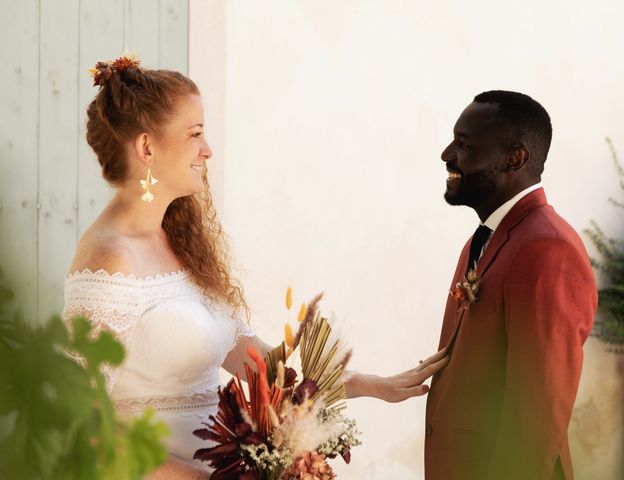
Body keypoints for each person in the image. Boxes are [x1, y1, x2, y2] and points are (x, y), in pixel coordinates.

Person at [62, 53, 448, 479]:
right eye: (195, 134)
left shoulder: (179, 242)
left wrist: (368, 385)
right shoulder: (109, 259)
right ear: (147, 147)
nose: (207, 150)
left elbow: (259, 365)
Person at [424, 90, 598, 480]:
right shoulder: (485, 239)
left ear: (514, 159)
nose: (447, 154)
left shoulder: (546, 248)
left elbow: (536, 417)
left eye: (464, 144)